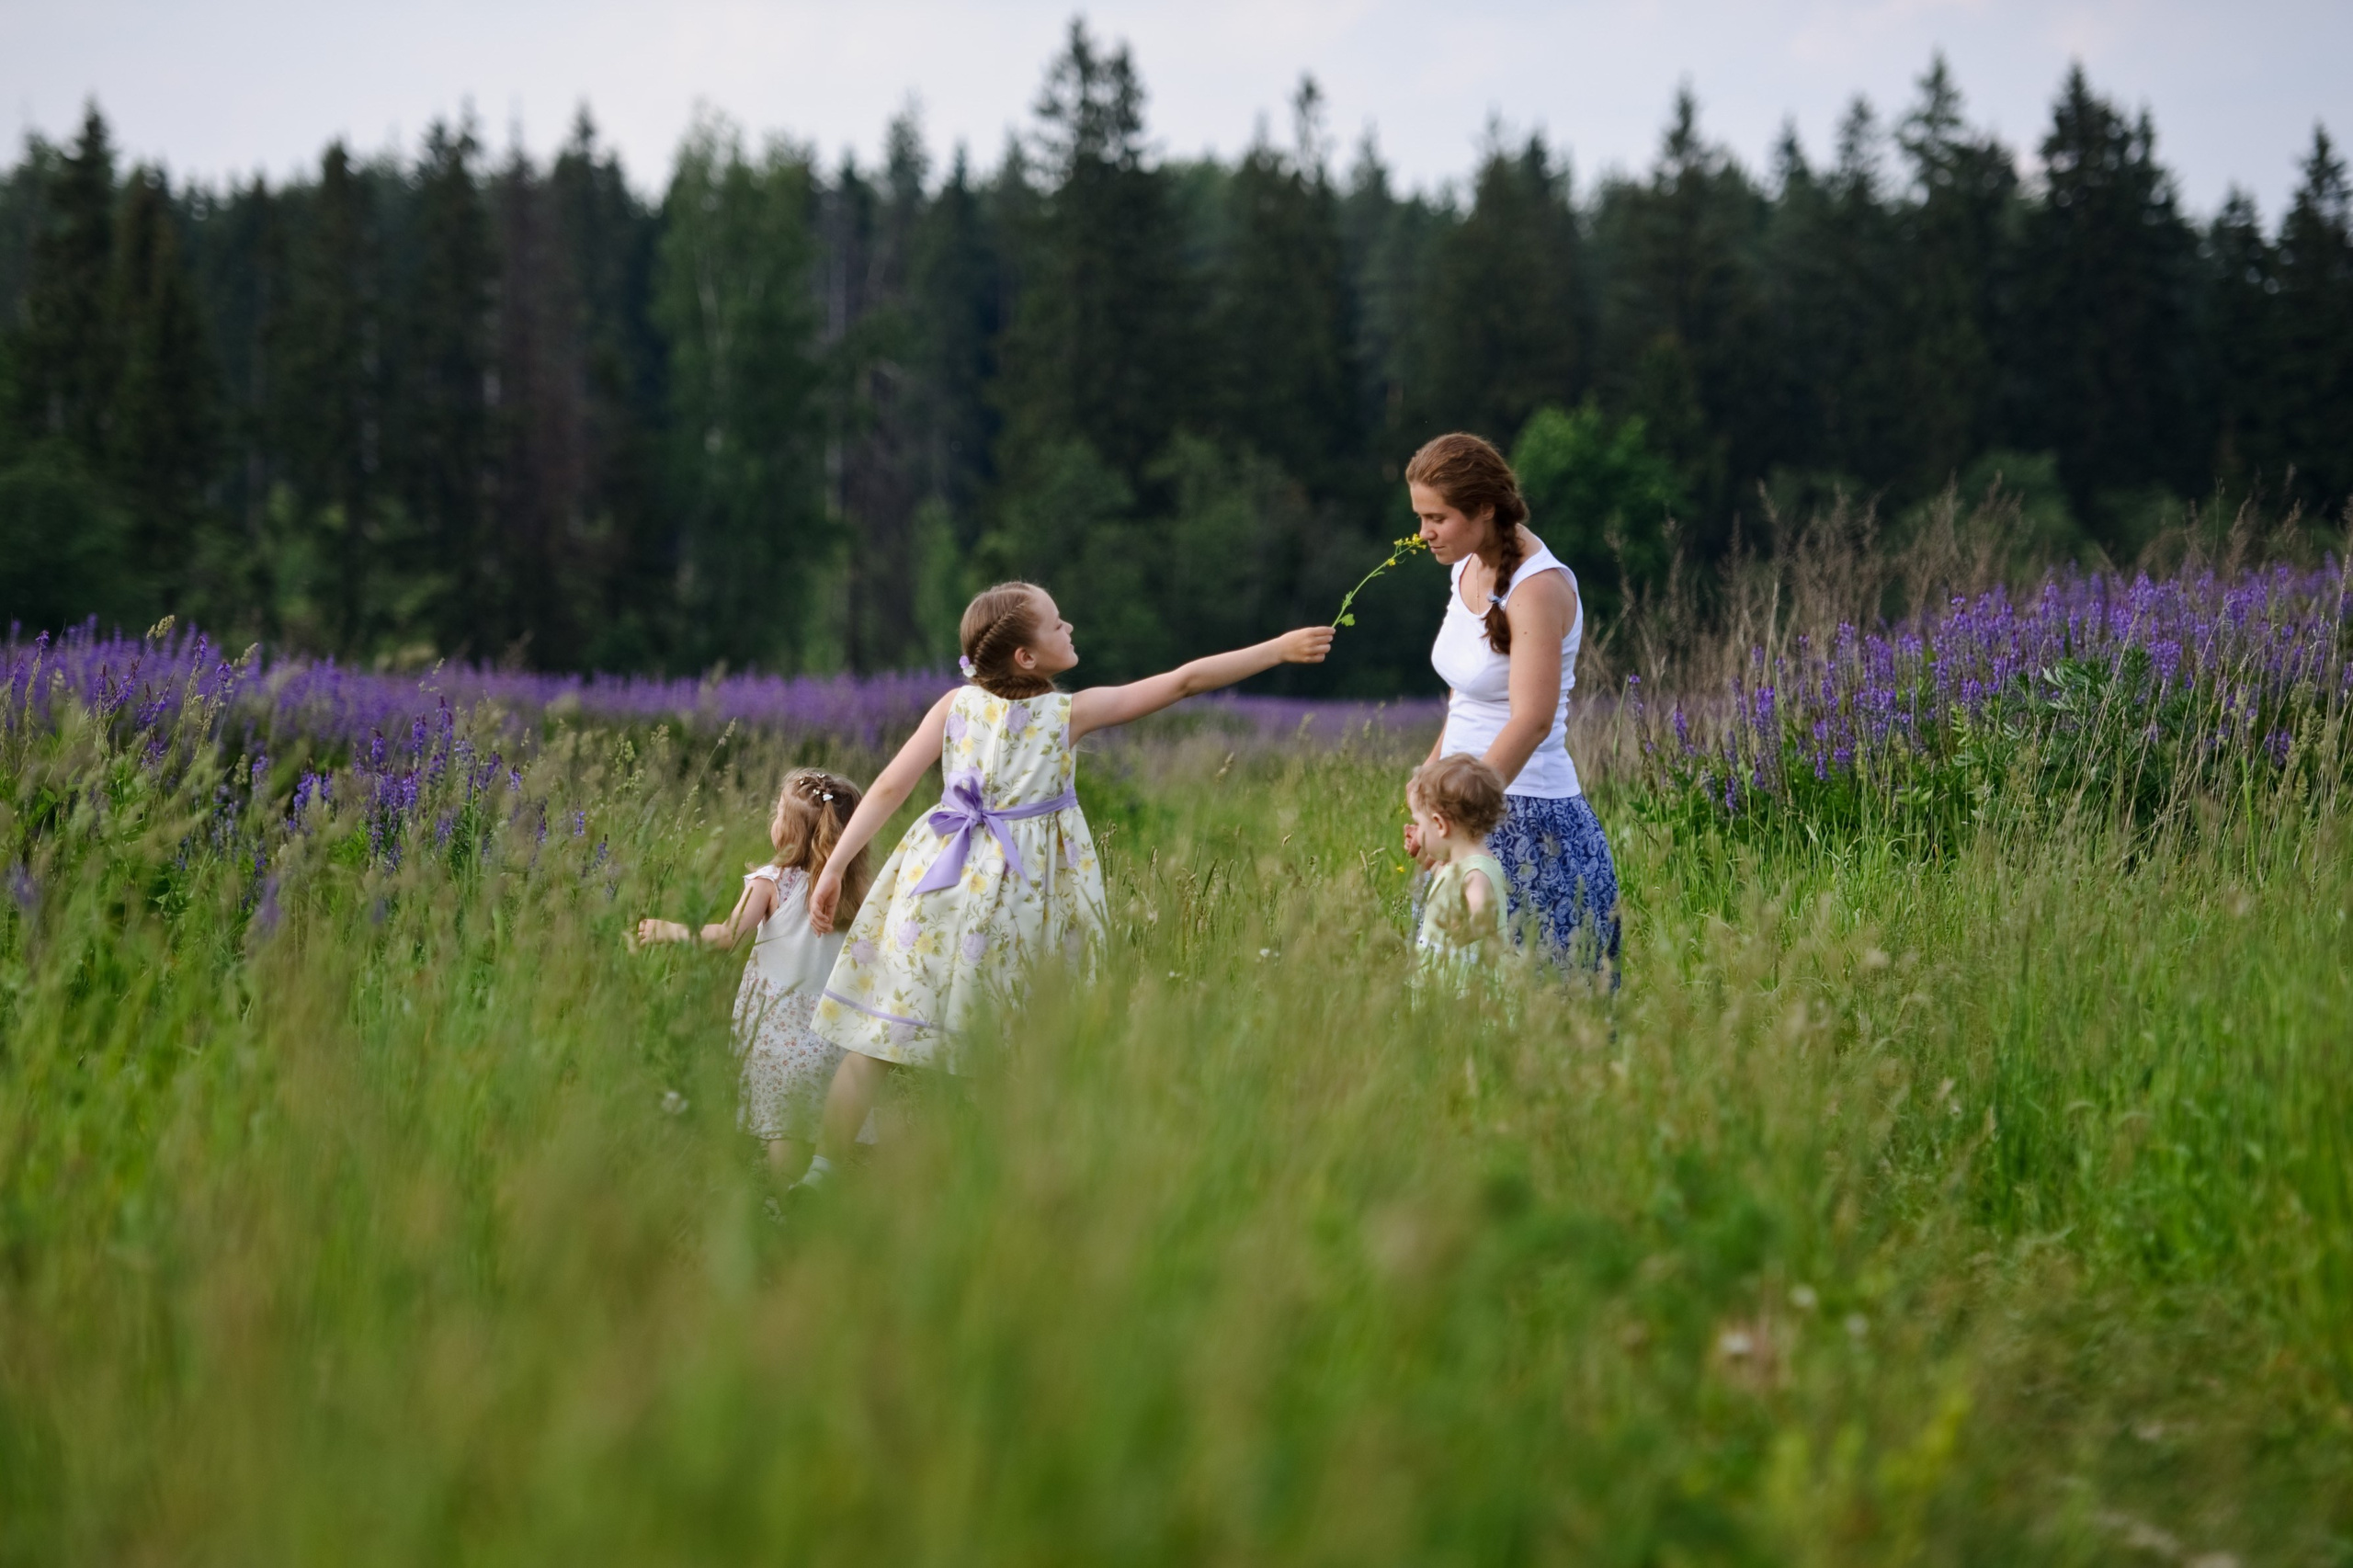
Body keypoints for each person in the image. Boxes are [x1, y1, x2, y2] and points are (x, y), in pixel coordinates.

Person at [792, 582, 1335, 1188]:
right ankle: (1005, 1181)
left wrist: (837, 866)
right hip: (1017, 897)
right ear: (1026, 657)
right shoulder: (1066, 714)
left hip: (936, 883)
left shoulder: (954, 706)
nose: (1069, 627)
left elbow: (891, 785)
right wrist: (1278, 648)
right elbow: (1184, 681)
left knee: (878, 1038)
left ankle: (820, 1173)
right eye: (1055, 624)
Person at [1405, 432, 1620, 971]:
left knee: (1528, 1016)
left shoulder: (1538, 587)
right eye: (1420, 517)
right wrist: (1426, 783)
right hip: (1460, 812)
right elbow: (1466, 696)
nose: (1424, 533)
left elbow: (1531, 720)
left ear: (1484, 509)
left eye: (1437, 518)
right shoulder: (1464, 566)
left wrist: (1458, 815)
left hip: (1525, 819)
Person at [635, 768, 872, 1176]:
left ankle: (784, 1203)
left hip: (778, 1025)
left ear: (790, 832)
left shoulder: (770, 882)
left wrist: (668, 930)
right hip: (832, 1024)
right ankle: (822, 1184)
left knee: (783, 1124)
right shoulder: (853, 889)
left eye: (779, 811)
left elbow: (727, 937)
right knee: (824, 1112)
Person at [1407, 753, 1512, 985]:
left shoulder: (1476, 872)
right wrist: (1425, 853)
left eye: (1418, 823)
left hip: (1466, 983)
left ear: (1439, 825)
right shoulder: (1456, 865)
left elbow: (1484, 916)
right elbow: (1444, 882)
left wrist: (1464, 930)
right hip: (1447, 976)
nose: (1416, 829)